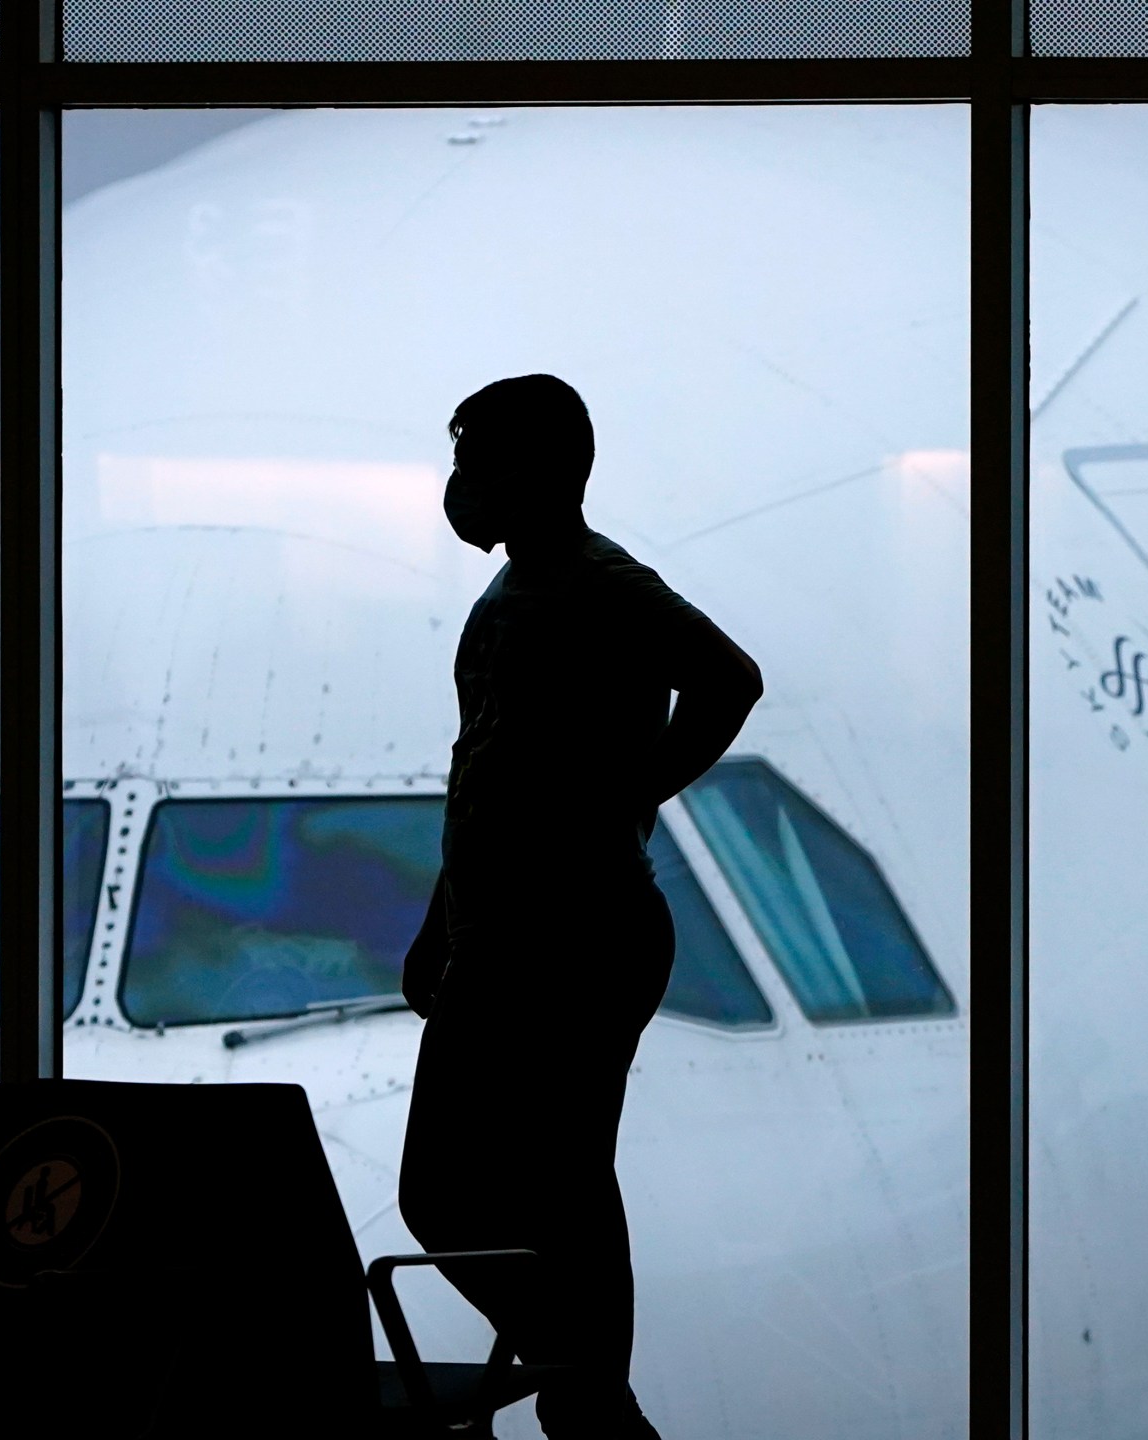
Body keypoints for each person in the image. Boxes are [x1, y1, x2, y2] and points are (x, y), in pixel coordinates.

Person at [396, 374, 762, 1439]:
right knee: (504, 1192)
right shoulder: (512, 594)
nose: (460, 487)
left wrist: (629, 792)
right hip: (505, 938)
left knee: (519, 1190)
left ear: (547, 471)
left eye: (479, 463)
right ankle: (588, 1385)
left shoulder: (603, 585)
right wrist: (441, 918)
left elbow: (728, 678)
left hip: (576, 938)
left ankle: (587, 1388)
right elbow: (489, 775)